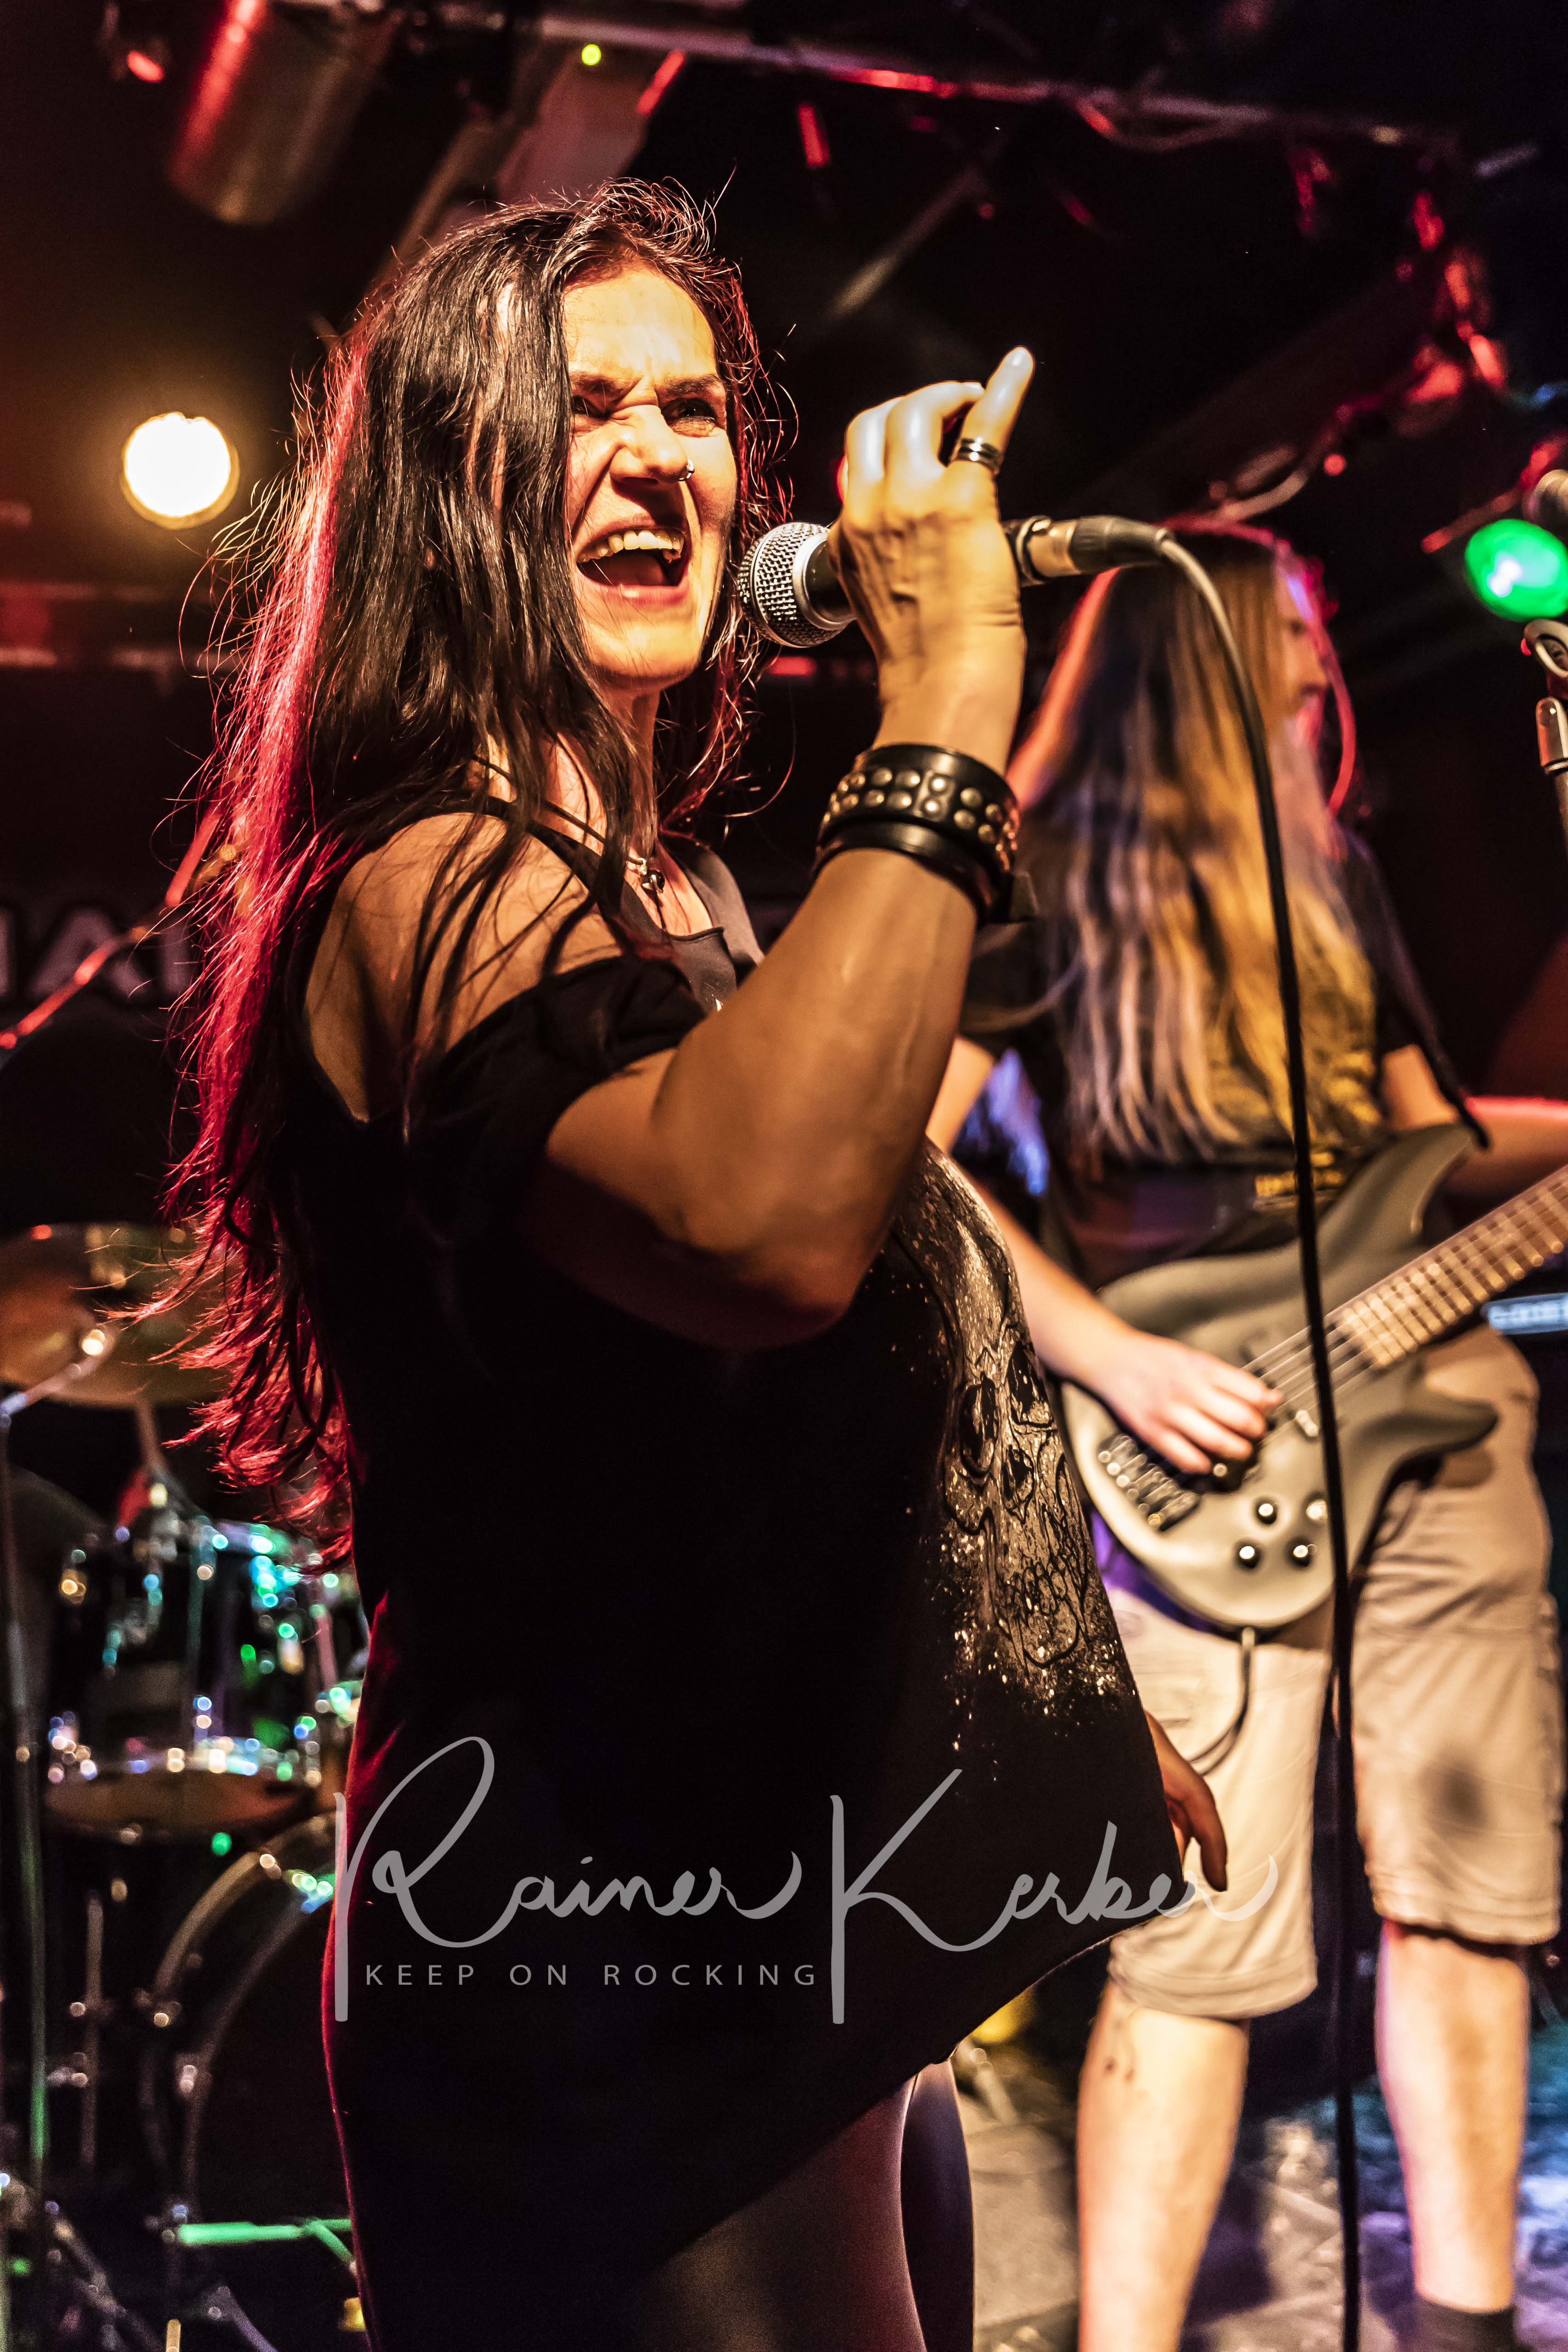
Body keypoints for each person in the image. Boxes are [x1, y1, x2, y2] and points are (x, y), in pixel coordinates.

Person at [174, 186, 1194, 2350]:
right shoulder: (426, 876)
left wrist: (1035, 1712)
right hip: (604, 1979)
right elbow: (763, 1232)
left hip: (801, 1927)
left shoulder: (678, 892)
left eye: (692, 407)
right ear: (444, 490)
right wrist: (951, 701)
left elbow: (835, 1372)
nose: (655, 456)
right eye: (579, 410)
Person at [933, 528, 1568, 2352]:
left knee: (1467, 1900)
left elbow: (1425, 1149)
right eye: (1286, 632)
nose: (1317, 665)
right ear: (1193, 652)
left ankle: (1465, 2331)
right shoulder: (1030, 873)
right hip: (1197, 1431)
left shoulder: (1334, 870)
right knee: (1197, 1944)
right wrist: (1109, 1358)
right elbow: (893, 1161)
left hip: (1438, 1409)